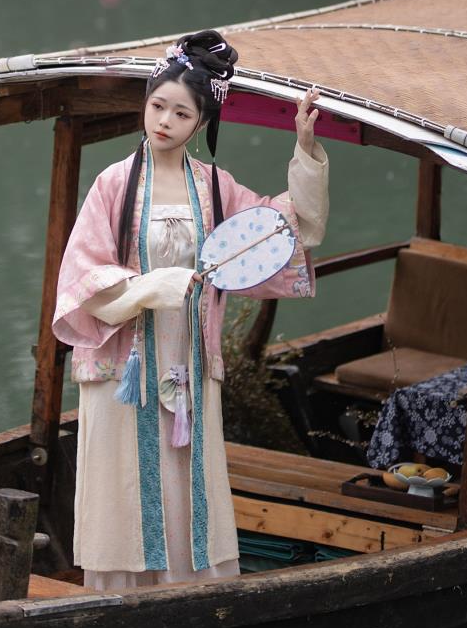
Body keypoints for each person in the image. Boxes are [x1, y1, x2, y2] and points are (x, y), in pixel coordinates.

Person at [53, 30, 329, 591]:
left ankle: (190, 594)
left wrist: (306, 148)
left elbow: (285, 231)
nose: (164, 121)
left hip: (188, 362)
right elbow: (82, 272)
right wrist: (144, 290)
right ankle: (117, 598)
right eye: (157, 106)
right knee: (124, 484)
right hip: (125, 365)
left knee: (186, 479)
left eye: (181, 113)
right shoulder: (113, 185)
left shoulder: (216, 188)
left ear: (200, 123)